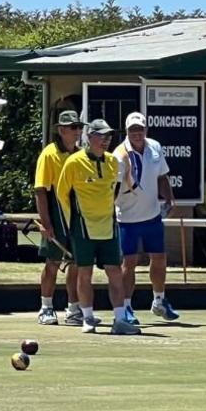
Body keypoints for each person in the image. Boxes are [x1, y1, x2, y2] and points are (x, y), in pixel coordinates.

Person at [56, 118, 139, 335]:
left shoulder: (114, 162)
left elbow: (115, 190)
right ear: (89, 137)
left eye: (109, 136)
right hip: (82, 226)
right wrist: (68, 225)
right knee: (85, 272)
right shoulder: (74, 162)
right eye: (101, 136)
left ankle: (120, 319)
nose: (106, 140)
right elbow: (62, 194)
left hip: (108, 226)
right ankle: (88, 317)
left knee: (115, 272)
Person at [113, 112, 180, 324]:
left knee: (159, 258)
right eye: (133, 130)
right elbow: (113, 187)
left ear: (146, 130)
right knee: (129, 262)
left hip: (152, 215)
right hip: (127, 217)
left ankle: (159, 301)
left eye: (140, 129)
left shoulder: (155, 147)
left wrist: (169, 199)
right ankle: (125, 306)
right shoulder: (119, 154)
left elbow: (162, 176)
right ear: (126, 132)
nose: (137, 133)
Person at [33, 110, 84, 325]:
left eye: (79, 127)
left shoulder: (81, 154)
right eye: (73, 128)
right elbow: (40, 191)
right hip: (56, 214)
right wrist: (46, 222)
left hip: (76, 216)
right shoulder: (49, 154)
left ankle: (73, 309)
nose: (78, 131)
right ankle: (46, 307)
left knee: (76, 263)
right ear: (61, 130)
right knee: (53, 262)